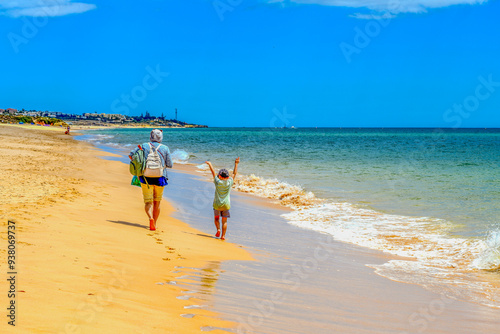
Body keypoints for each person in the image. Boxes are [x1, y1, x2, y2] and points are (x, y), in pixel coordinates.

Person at [129, 129, 173, 231]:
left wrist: (140, 165)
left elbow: (131, 155)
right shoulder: (165, 148)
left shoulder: (144, 146)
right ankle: (155, 224)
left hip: (145, 178)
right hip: (160, 179)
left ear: (151, 136)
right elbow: (170, 164)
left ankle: (150, 218)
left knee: (148, 202)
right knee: (157, 202)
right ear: (161, 137)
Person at [205, 157, 239, 240]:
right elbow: (234, 174)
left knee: (216, 219)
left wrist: (210, 164)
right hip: (226, 205)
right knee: (224, 221)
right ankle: (223, 236)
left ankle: (218, 229)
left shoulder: (217, 182)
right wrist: (236, 164)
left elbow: (213, 173)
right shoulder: (229, 182)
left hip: (217, 205)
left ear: (219, 176)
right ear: (227, 177)